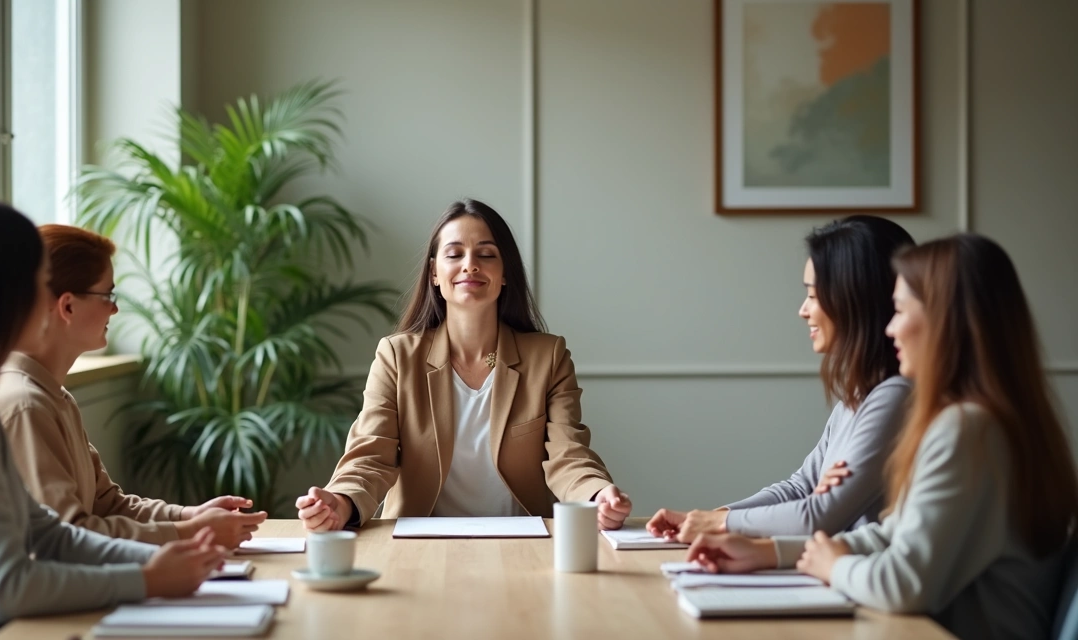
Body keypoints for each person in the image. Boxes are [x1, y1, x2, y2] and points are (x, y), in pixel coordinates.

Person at [684, 234, 1078, 640]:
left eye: (900, 310)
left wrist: (833, 566)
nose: (889, 327)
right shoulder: (986, 421)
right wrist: (773, 553)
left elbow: (903, 583)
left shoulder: (967, 429)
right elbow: (894, 537)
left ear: (946, 321)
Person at [0, 199, 225, 639]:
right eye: (37, 284)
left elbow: (50, 535)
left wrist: (161, 558)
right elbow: (7, 585)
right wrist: (148, 580)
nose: (48, 300)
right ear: (2, 295)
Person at [295, 199, 631, 530]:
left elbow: (567, 454)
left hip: (523, 539)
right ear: (434, 274)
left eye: (486, 255)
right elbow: (371, 455)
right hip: (419, 543)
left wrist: (596, 494)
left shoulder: (549, 357)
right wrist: (339, 501)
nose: (470, 265)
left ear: (505, 275)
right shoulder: (397, 357)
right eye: (455, 254)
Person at [0, 224, 266, 548]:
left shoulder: (54, 396)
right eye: (107, 295)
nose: (115, 308)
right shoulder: (26, 405)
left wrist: (189, 516)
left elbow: (107, 504)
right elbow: (67, 537)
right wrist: (190, 533)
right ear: (67, 306)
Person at [648, 216, 914, 541]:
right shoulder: (859, 394)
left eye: (814, 296)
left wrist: (717, 524)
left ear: (855, 300)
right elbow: (801, 487)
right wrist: (714, 517)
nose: (803, 310)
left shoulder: (895, 397)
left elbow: (817, 517)